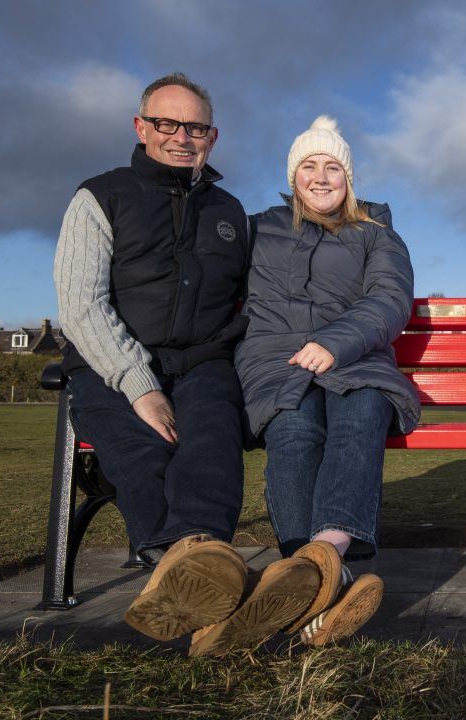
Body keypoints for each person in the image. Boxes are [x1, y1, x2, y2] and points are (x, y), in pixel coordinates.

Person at [54, 73, 321, 654]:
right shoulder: (100, 197)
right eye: (166, 124)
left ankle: (198, 570)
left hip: (204, 361)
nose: (180, 136)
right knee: (143, 446)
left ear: (212, 136)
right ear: (141, 127)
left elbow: (261, 294)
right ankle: (203, 578)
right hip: (111, 365)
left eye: (194, 127)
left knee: (210, 441)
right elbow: (80, 304)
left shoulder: (228, 211)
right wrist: (138, 383)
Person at [235, 115, 420, 647]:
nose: (321, 177)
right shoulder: (259, 227)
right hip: (278, 359)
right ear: (293, 176)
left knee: (360, 414)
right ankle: (315, 577)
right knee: (293, 430)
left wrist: (334, 343)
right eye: (309, 166)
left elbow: (389, 299)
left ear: (349, 177)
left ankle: (322, 564)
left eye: (332, 166)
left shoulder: (376, 232)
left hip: (354, 356)